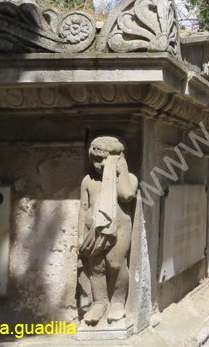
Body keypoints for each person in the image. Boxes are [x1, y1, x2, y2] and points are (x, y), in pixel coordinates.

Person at [77, 136, 138, 324]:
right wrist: (80, 235)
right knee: (96, 267)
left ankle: (118, 301)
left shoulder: (128, 179)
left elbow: (127, 195)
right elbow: (83, 209)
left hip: (119, 227)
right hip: (93, 230)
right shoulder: (88, 181)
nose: (98, 164)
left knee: (115, 264)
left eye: (103, 159)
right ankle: (99, 302)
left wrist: (121, 169)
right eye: (94, 159)